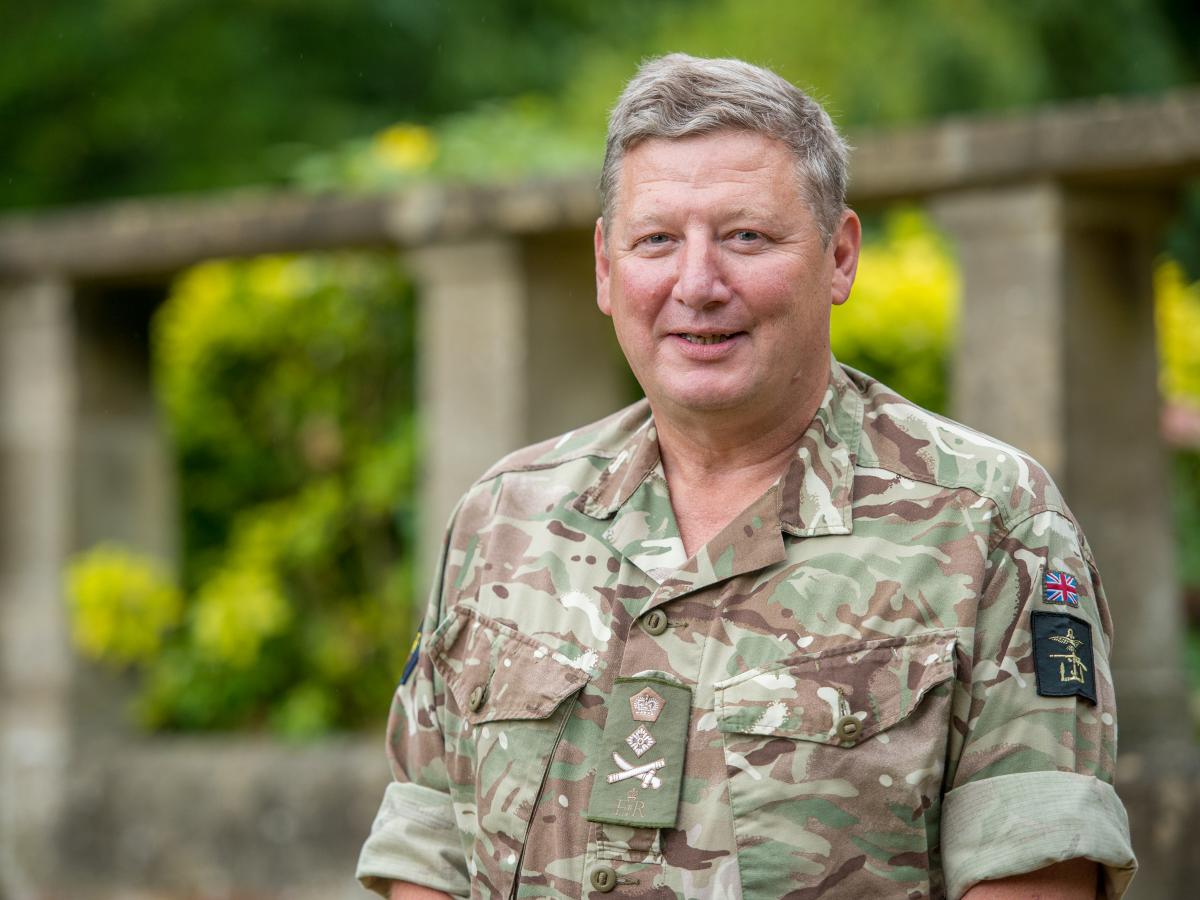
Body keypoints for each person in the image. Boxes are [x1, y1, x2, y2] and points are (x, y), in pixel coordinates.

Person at [356, 54, 1137, 899]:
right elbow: (427, 849)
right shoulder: (505, 515)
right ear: (606, 267)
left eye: (746, 238)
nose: (697, 285)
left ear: (840, 257)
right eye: (657, 240)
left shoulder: (988, 524)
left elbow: (1033, 870)